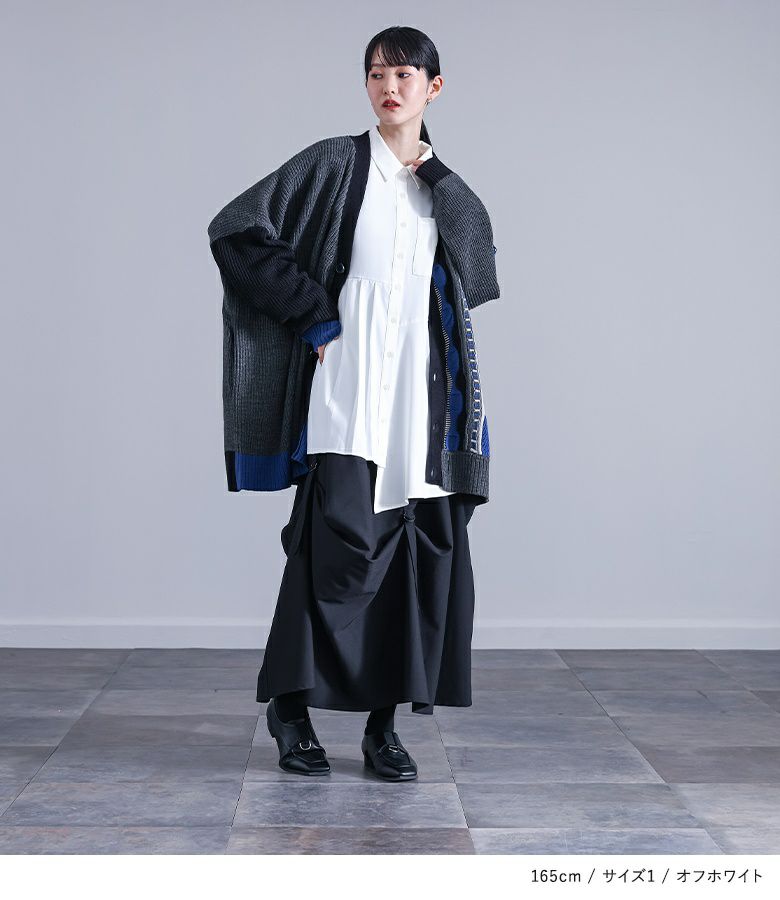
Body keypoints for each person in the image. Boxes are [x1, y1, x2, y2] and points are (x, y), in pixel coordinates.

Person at [208, 26, 500, 781]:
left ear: (434, 87)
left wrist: (438, 179)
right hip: (346, 387)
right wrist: (313, 316)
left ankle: (383, 729)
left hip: (423, 403)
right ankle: (291, 711)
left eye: (404, 75)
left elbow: (479, 273)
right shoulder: (334, 164)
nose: (388, 87)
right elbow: (235, 230)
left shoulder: (443, 188)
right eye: (376, 74)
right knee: (332, 553)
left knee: (417, 559)